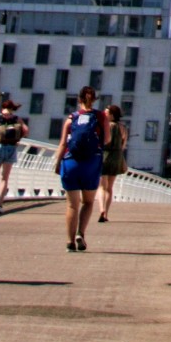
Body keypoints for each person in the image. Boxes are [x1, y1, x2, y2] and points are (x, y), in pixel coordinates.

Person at [56, 86, 105, 250]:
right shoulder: (100, 117)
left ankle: (69, 242)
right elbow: (107, 140)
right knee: (88, 202)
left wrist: (57, 164)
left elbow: (63, 144)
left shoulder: (71, 118)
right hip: (91, 163)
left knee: (72, 205)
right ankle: (80, 234)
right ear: (95, 99)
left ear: (79, 99)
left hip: (70, 162)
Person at [98, 102, 128, 217]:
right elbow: (123, 146)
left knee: (102, 186)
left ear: (111, 115)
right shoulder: (123, 128)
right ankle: (106, 213)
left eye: (106, 113)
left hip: (104, 155)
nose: (104, 114)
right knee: (110, 187)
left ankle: (101, 209)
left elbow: (102, 141)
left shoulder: (106, 126)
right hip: (117, 157)